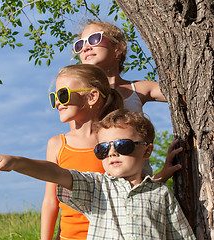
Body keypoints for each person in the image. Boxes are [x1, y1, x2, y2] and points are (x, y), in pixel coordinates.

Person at [0, 109, 196, 240]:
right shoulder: (97, 186)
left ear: (147, 150)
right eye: (103, 148)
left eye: (122, 145)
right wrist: (16, 162)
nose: (112, 152)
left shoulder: (161, 193)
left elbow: (181, 236)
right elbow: (57, 173)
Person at [73, 20, 172, 177]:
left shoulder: (139, 89)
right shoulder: (82, 98)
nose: (85, 47)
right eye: (79, 45)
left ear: (118, 48)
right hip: (101, 186)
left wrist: (162, 175)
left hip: (139, 183)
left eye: (94, 39)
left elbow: (186, 94)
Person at [43, 64, 123, 239]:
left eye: (63, 95)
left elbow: (128, 187)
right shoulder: (57, 144)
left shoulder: (111, 141)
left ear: (92, 96)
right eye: (54, 97)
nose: (57, 102)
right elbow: (51, 201)